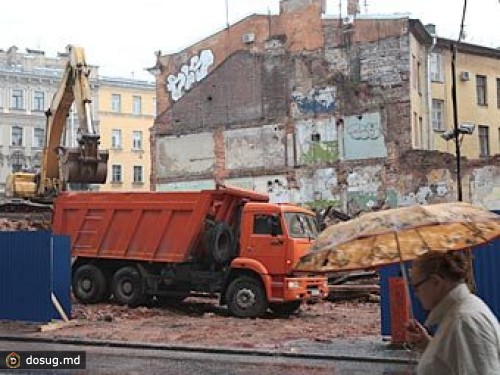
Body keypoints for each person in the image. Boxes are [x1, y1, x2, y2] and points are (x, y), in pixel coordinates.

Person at [406, 250, 500, 375]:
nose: (415, 294)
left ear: (436, 282)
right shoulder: (458, 314)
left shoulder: (464, 321)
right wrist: (428, 345)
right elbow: (452, 362)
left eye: (416, 286)